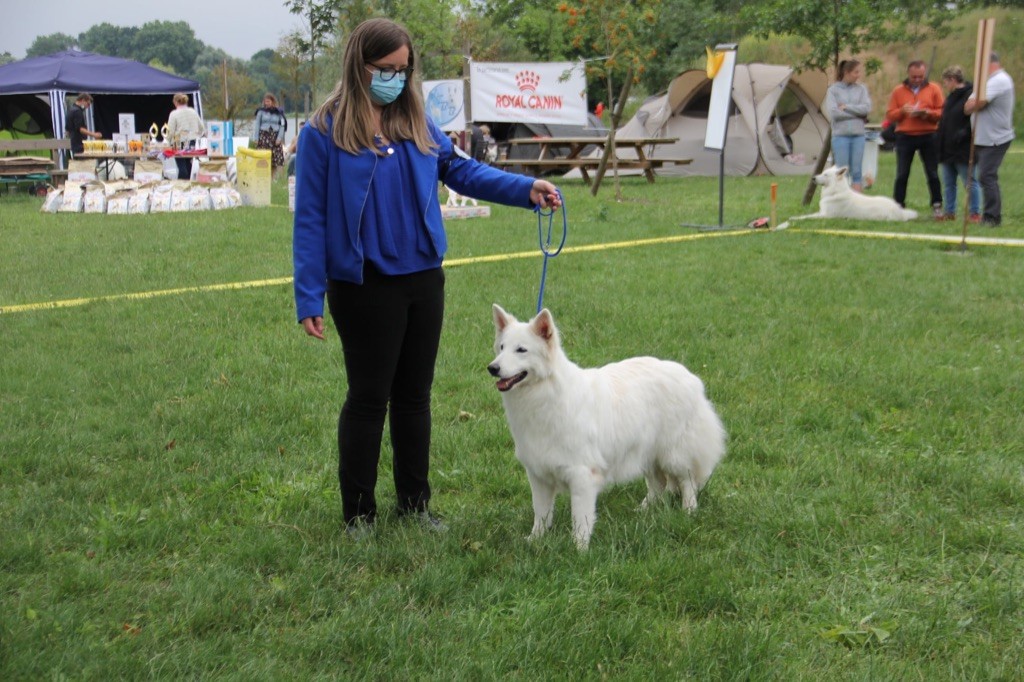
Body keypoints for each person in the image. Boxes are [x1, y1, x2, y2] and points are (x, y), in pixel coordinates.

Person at [293, 17, 562, 537]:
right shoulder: (323, 131)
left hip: (423, 279)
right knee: (369, 399)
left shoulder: (417, 122)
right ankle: (358, 515)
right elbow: (310, 219)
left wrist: (524, 189)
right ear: (359, 66)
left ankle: (415, 506)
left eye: (404, 69)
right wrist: (309, 294)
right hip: (363, 285)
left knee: (415, 397)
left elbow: (464, 171)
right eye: (386, 69)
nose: (396, 78)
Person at [885, 60, 945, 218]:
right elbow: (890, 115)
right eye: (914, 77)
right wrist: (902, 111)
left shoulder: (934, 88)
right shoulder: (898, 91)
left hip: (928, 135)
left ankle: (937, 205)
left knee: (932, 172)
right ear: (908, 74)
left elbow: (941, 112)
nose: (917, 79)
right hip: (905, 136)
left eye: (920, 76)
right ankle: (898, 205)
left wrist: (927, 113)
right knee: (902, 173)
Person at [965, 52, 1016, 228]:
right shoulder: (986, 82)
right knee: (984, 176)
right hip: (983, 138)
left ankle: (992, 217)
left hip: (995, 139)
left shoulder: (998, 80)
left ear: (989, 64)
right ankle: (989, 215)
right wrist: (974, 103)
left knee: (987, 175)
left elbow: (977, 103)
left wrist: (975, 103)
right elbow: (967, 107)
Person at [936, 66, 980, 222]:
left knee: (969, 182)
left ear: (953, 80)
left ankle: (975, 212)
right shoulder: (950, 98)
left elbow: (974, 119)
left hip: (963, 149)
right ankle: (950, 212)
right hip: (947, 148)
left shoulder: (970, 95)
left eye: (946, 82)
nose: (945, 86)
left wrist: (965, 132)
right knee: (948, 184)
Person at [824, 59, 872, 192]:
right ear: (847, 72)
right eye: (856, 72)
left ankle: (858, 200)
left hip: (858, 136)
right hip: (840, 136)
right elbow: (834, 113)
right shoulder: (833, 90)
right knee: (842, 170)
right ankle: (841, 198)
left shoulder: (861, 89)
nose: (859, 75)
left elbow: (866, 109)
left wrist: (847, 108)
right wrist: (857, 114)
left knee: (857, 170)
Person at [166, 93, 205, 181]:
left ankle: (181, 188)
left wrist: (167, 142)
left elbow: (170, 131)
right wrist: (196, 135)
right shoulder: (193, 112)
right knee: (189, 166)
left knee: (182, 168)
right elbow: (202, 128)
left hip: (178, 142)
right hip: (192, 142)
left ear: (175, 102)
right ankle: (189, 186)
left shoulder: (174, 114)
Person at [254, 93, 287, 171]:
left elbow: (282, 125)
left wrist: (279, 138)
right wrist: (256, 138)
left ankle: (272, 178)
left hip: (274, 137)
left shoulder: (279, 112)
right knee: (263, 159)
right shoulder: (260, 112)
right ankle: (263, 176)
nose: (267, 103)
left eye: (268, 101)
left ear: (272, 102)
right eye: (265, 102)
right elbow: (257, 125)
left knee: (274, 159)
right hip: (263, 136)